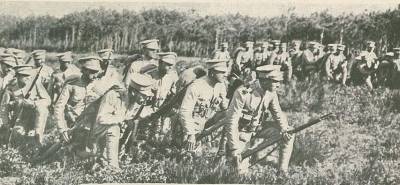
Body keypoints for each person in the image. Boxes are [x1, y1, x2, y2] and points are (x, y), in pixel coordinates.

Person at [225, 64, 294, 175]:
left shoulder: (271, 93)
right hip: (241, 133)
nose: (279, 84)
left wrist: (285, 129)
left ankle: (282, 172)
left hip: (258, 129)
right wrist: (234, 149)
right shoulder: (243, 93)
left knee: (290, 133)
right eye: (275, 81)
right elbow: (231, 121)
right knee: (240, 173)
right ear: (265, 80)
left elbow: (278, 114)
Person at [179, 59, 228, 152]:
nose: (224, 75)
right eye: (221, 72)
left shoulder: (220, 86)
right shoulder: (197, 85)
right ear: (212, 72)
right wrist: (190, 134)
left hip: (202, 127)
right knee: (182, 156)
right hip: (186, 129)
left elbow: (225, 108)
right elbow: (184, 111)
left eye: (225, 72)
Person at [5, 65, 51, 146]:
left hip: (33, 117)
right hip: (18, 119)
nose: (28, 78)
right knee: (16, 136)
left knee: (42, 108)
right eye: (24, 76)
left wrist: (34, 104)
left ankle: (38, 136)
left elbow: (48, 100)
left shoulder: (35, 84)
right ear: (17, 76)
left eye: (29, 75)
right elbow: (3, 108)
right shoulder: (11, 87)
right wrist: (7, 125)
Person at [150, 52, 179, 144]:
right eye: (168, 65)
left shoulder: (173, 76)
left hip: (163, 108)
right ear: (160, 63)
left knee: (163, 134)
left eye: (172, 65)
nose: (170, 67)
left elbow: (174, 93)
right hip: (149, 108)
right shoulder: (151, 74)